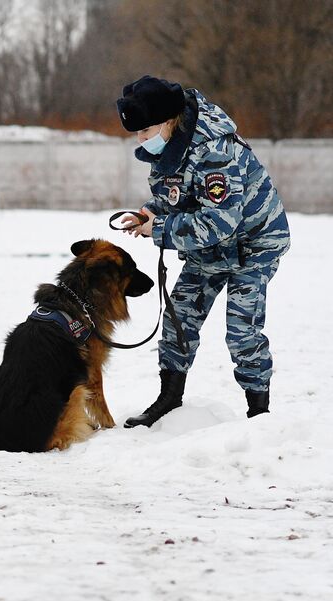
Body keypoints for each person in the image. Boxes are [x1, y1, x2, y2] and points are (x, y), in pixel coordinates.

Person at [115, 75, 290, 426]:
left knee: (242, 330)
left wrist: (160, 230)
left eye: (145, 132)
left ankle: (259, 415)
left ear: (167, 122)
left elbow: (220, 221)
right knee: (179, 316)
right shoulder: (171, 145)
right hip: (210, 246)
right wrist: (150, 212)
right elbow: (177, 195)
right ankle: (169, 398)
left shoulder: (215, 151)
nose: (140, 140)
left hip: (254, 244)